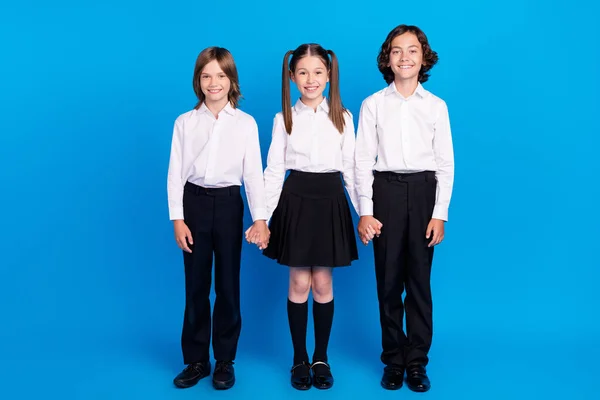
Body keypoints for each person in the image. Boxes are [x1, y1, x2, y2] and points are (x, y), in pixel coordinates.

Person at [355, 24, 455, 392]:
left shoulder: (436, 107)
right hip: (386, 193)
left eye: (412, 50)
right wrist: (366, 209)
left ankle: (416, 362)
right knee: (388, 280)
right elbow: (361, 161)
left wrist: (439, 213)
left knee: (418, 282)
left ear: (423, 56)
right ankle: (393, 359)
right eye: (397, 51)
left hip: (424, 191)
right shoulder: (373, 105)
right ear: (388, 58)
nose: (405, 57)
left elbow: (445, 163)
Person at [166, 46, 270, 390]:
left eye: (221, 75)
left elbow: (254, 173)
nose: (214, 82)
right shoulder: (185, 122)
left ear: (231, 80)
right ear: (198, 80)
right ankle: (196, 359)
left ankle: (225, 358)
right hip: (193, 203)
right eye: (206, 75)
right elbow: (175, 174)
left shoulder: (245, 123)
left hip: (228, 204)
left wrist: (260, 218)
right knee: (195, 285)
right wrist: (177, 219)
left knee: (227, 285)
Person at [259, 43, 359, 390]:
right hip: (297, 200)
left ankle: (321, 356)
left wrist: (366, 213)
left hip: (330, 200)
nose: (310, 79)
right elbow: (273, 171)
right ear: (292, 77)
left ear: (329, 76)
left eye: (318, 72)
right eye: (302, 72)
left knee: (323, 283)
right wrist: (262, 218)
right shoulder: (284, 118)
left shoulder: (343, 117)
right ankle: (299, 357)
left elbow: (351, 170)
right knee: (300, 282)